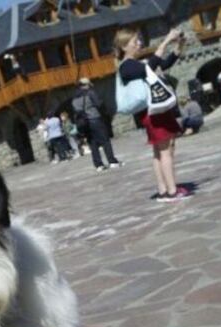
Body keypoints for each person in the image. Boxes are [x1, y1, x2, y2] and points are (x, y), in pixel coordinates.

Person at [116, 27, 191, 202]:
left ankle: (163, 189)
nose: (139, 44)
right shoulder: (127, 66)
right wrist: (166, 40)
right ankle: (172, 191)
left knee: (162, 150)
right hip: (152, 112)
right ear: (124, 47)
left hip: (157, 110)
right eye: (135, 42)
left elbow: (165, 63)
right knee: (164, 151)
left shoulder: (137, 63)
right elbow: (150, 67)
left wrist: (179, 44)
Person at [71, 77, 121, 172]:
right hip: (95, 119)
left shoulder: (74, 99)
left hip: (85, 124)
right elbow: (99, 104)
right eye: (88, 84)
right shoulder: (90, 93)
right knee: (105, 141)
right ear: (85, 85)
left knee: (93, 144)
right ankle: (112, 161)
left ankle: (98, 165)